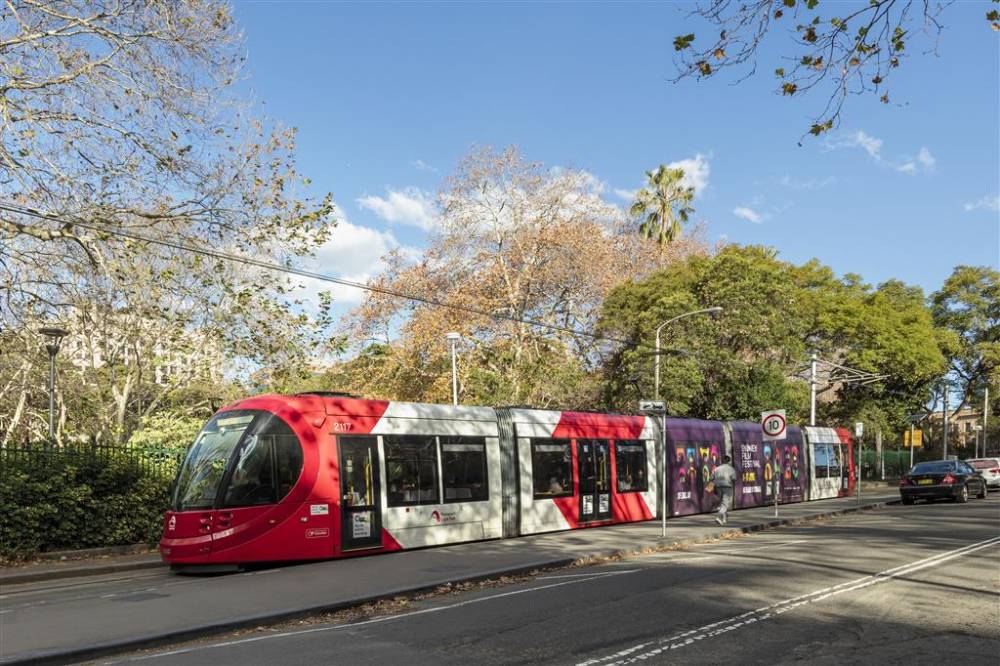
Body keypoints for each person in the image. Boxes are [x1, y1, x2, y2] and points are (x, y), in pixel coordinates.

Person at [710, 455, 737, 525]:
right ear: (729, 461)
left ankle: (724, 519)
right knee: (725, 504)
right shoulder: (731, 469)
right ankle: (718, 517)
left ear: (722, 460)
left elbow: (711, 477)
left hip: (718, 487)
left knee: (722, 502)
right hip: (727, 487)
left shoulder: (717, 468)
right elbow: (734, 478)